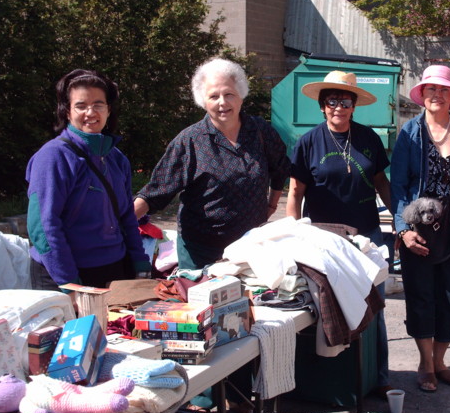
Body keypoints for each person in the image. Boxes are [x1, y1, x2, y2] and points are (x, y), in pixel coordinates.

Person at [286, 69, 393, 398]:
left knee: (372, 306)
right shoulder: (307, 143)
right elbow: (294, 193)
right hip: (323, 241)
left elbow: (381, 184)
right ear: (322, 105)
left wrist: (401, 220)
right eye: (332, 100)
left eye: (345, 100)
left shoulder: (369, 139)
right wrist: (293, 232)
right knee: (327, 309)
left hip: (367, 237)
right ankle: (332, 380)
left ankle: (378, 374)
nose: (338, 107)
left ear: (354, 105)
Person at [134, 57, 290, 270]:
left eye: (229, 94)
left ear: (241, 96)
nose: (222, 103)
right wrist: (118, 224)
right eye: (214, 96)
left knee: (246, 303)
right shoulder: (190, 140)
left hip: (250, 248)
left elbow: (280, 165)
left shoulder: (260, 131)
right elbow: (157, 191)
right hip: (201, 251)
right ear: (203, 101)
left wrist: (272, 203)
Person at [391, 65, 450, 392]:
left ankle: (441, 359)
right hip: (420, 230)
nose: (437, 94)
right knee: (420, 299)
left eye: (444, 90)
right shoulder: (409, 133)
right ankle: (425, 363)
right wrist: (403, 229)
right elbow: (398, 185)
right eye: (431, 89)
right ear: (423, 94)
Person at [26, 69, 150, 290]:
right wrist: (69, 282)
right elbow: (43, 227)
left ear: (108, 110)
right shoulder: (53, 157)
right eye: (81, 105)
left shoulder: (116, 158)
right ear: (66, 112)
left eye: (98, 104)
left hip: (114, 270)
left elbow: (127, 218)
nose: (90, 112)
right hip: (66, 275)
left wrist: (140, 263)